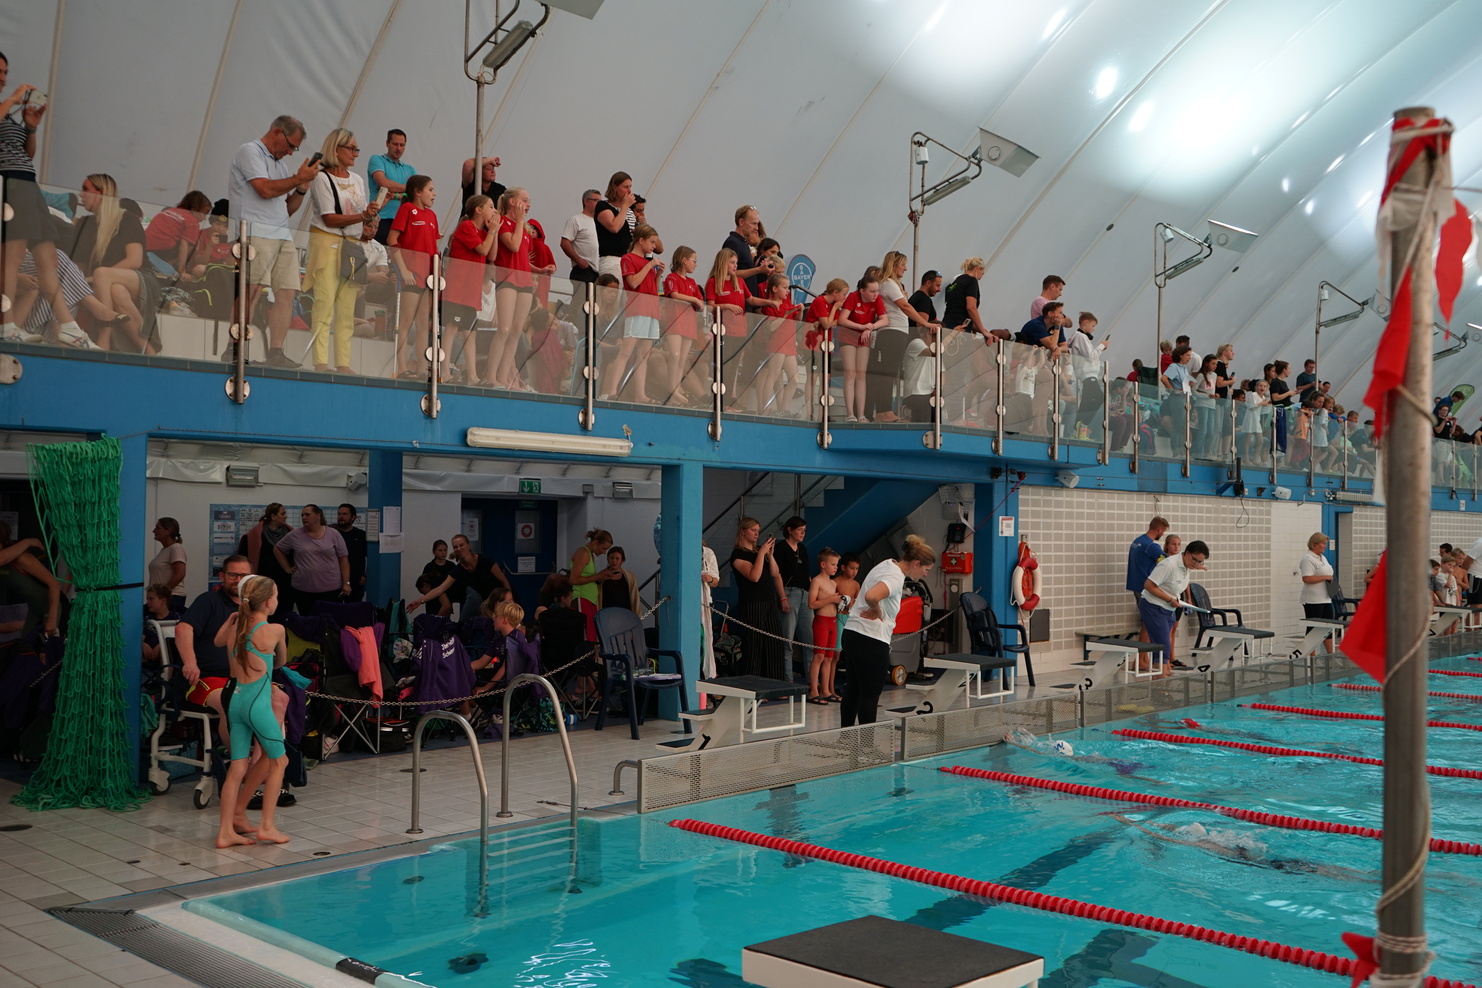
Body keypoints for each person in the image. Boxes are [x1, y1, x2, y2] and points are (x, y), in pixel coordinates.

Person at [175, 556, 289, 815]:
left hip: (248, 681)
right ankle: (247, 766)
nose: (237, 580)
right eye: (232, 575)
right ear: (222, 576)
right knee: (230, 702)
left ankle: (259, 768)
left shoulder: (257, 609)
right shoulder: (209, 601)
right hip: (210, 678)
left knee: (280, 700)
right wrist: (190, 662)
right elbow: (183, 629)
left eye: (243, 576)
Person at [0, 53, 93, 351]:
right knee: (12, 259)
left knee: (48, 258)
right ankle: (7, 325)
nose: (3, 77)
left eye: (6, 72)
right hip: (8, 185)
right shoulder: (5, 107)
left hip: (26, 184)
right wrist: (13, 99)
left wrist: (30, 126)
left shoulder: (9, 113)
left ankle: (68, 327)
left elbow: (27, 155)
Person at [227, 115, 319, 368]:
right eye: (290, 145)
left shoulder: (279, 165)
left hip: (281, 234)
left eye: (295, 149)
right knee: (253, 288)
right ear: (277, 132)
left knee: (287, 292)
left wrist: (301, 188)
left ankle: (276, 351)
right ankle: (234, 345)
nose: (290, 152)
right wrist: (297, 179)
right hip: (255, 231)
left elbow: (285, 209)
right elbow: (264, 189)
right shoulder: (250, 151)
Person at [212, 574, 290, 848]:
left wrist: (233, 618)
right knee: (280, 761)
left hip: (235, 701)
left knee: (237, 767)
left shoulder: (236, 627)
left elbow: (217, 642)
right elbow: (281, 660)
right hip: (257, 703)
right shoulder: (275, 630)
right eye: (276, 596)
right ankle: (267, 826)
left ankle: (225, 833)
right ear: (269, 602)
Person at [839, 535, 936, 726]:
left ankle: (846, 740)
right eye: (926, 569)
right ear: (916, 563)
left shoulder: (887, 564)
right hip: (870, 639)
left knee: (854, 690)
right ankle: (866, 748)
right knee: (870, 694)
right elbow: (871, 596)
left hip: (852, 634)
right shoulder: (895, 577)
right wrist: (877, 610)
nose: (925, 574)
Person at [303, 128, 377, 373]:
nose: (356, 153)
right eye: (352, 148)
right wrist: (362, 216)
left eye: (357, 149)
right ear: (336, 150)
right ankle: (320, 361)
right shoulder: (322, 178)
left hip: (352, 246)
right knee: (324, 304)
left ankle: (343, 362)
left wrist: (367, 223)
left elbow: (360, 215)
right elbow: (329, 217)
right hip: (328, 243)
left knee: (347, 309)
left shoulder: (357, 179)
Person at [65, 173, 153, 352]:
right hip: (107, 284)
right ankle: (148, 350)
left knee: (102, 274)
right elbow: (79, 264)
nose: (81, 194)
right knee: (116, 291)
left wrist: (95, 279)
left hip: (140, 279)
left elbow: (135, 260)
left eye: (86, 189)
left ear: (102, 193)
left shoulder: (126, 218)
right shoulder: (84, 224)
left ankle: (103, 340)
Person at [602, 223, 665, 401]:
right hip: (637, 308)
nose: (654, 246)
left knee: (644, 354)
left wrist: (658, 274)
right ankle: (613, 390)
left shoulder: (647, 262)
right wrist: (649, 265)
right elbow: (634, 283)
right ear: (641, 240)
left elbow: (651, 286)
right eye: (652, 242)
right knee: (627, 351)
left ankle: (641, 394)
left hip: (651, 309)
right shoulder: (628, 258)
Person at [871, 251, 934, 423]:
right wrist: (925, 323)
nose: (905, 269)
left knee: (890, 373)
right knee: (887, 373)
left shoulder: (891, 284)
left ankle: (885, 411)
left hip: (897, 332)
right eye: (903, 265)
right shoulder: (888, 283)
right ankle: (883, 412)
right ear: (894, 265)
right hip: (892, 332)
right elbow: (905, 306)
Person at [388, 174, 440, 378]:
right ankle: (401, 367)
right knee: (406, 321)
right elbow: (392, 239)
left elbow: (434, 247)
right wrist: (403, 269)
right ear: (418, 192)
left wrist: (437, 275)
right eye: (430, 189)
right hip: (411, 275)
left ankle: (420, 367)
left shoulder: (432, 216)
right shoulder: (407, 209)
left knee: (422, 324)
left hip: (429, 276)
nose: (434, 194)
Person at [444, 194, 498, 383]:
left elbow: (492, 254)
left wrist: (494, 231)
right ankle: (444, 371)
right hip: (458, 287)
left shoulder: (485, 232)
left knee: (470, 332)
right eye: (491, 206)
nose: (494, 211)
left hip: (471, 290)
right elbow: (482, 249)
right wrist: (491, 232)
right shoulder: (467, 227)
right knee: (452, 327)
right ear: (478, 209)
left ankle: (473, 375)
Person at [1139, 539, 1209, 677]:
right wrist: (1169, 599)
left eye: (1200, 562)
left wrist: (1198, 566)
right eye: (1194, 560)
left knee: (1163, 648)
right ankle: (1160, 686)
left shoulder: (1187, 564)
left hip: (1169, 609)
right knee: (1162, 649)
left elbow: (1190, 569)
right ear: (1187, 553)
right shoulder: (1169, 565)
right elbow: (1148, 585)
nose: (1196, 564)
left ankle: (1161, 676)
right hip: (1154, 606)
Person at [488, 187, 535, 391]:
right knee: (504, 329)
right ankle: (491, 376)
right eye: (525, 200)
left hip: (524, 281)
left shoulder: (522, 229)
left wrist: (540, 269)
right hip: (507, 279)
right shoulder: (505, 223)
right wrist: (520, 222)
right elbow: (513, 246)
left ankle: (504, 376)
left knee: (516, 331)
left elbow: (522, 257)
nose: (528, 204)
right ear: (513, 202)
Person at [730, 516, 785, 680]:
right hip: (752, 601)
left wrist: (770, 555)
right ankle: (753, 682)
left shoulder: (759, 551)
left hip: (768, 599)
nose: (756, 534)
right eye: (753, 530)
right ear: (743, 531)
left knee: (774, 642)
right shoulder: (738, 554)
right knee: (755, 644)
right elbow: (754, 576)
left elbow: (775, 573)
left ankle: (774, 682)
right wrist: (761, 554)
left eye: (758, 530)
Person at [272, 505, 351, 615]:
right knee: (307, 623)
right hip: (303, 590)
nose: (304, 517)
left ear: (318, 516)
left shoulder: (333, 534)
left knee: (328, 624)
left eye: (307, 514)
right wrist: (287, 568)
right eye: (302, 515)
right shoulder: (295, 535)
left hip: (330, 590)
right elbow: (278, 549)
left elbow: (343, 559)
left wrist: (346, 583)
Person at [410, 533, 512, 616]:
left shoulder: (484, 560)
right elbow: (440, 589)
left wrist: (510, 601)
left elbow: (503, 580)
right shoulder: (458, 569)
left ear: (468, 545)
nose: (459, 548)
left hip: (503, 599)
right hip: (487, 602)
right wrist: (420, 601)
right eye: (455, 547)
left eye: (461, 545)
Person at [836, 274, 889, 422]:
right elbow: (842, 319)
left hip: (864, 337)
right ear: (862, 291)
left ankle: (861, 414)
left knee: (861, 375)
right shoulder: (853, 297)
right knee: (850, 374)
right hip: (848, 335)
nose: (875, 294)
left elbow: (884, 320)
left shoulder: (876, 300)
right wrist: (861, 326)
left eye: (877, 291)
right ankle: (850, 413)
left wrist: (870, 327)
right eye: (872, 291)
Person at [661, 244, 707, 407]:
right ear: (684, 260)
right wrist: (693, 299)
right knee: (674, 354)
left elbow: (700, 300)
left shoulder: (692, 282)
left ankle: (677, 388)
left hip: (688, 323)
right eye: (694, 260)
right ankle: (672, 388)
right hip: (675, 321)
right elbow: (674, 295)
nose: (696, 264)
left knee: (682, 358)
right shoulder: (671, 278)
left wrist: (695, 300)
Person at [773, 517, 813, 685]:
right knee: (787, 640)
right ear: (790, 530)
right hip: (789, 593)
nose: (803, 533)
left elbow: (807, 574)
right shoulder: (781, 548)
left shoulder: (802, 549)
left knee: (810, 641)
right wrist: (782, 597)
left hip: (805, 594)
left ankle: (813, 682)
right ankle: (787, 681)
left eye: (804, 529)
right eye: (799, 529)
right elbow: (777, 575)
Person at [236, 503, 294, 612]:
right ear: (273, 516)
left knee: (286, 614)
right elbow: (243, 561)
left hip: (287, 585)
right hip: (263, 584)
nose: (285, 516)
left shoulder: (291, 534)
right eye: (283, 513)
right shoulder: (254, 536)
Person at [144, 190, 212, 280]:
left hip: (142, 249)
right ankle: (170, 266)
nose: (204, 218)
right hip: (156, 254)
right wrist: (182, 271)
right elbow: (184, 246)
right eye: (204, 213)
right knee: (191, 245)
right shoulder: (192, 222)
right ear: (195, 208)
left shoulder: (169, 211)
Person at [807, 547, 844, 704]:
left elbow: (835, 602)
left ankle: (826, 690)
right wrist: (830, 599)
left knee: (829, 658)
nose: (836, 567)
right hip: (821, 620)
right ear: (823, 564)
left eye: (837, 564)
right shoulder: (817, 581)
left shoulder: (833, 583)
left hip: (833, 621)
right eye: (833, 564)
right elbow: (811, 604)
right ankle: (813, 691)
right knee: (819, 656)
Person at [367, 128, 414, 244]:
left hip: (402, 221)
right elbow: (383, 183)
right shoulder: (377, 160)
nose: (399, 148)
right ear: (387, 143)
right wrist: (409, 188)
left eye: (402, 145)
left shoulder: (410, 169)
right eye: (395, 144)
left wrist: (395, 194)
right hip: (381, 218)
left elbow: (417, 193)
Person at [1126, 516, 1170, 639]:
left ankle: (1142, 657)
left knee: (1147, 621)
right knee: (1148, 623)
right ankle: (1142, 657)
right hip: (1146, 588)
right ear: (1159, 530)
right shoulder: (1151, 546)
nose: (1162, 535)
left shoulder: (1137, 541)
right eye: (1163, 532)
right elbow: (1169, 563)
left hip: (1135, 585)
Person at [724, 204, 774, 295]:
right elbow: (727, 273)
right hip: (739, 300)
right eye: (753, 223)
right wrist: (758, 270)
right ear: (741, 222)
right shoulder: (733, 243)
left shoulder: (743, 243)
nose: (756, 228)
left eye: (757, 224)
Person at [595, 172, 636, 278]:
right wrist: (625, 205)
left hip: (628, 260)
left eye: (630, 187)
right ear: (615, 187)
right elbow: (614, 227)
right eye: (625, 187)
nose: (629, 191)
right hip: (612, 259)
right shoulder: (603, 206)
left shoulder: (629, 212)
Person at [1299, 532, 1335, 653]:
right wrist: (1325, 577)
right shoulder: (1308, 559)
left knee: (1328, 628)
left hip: (1325, 598)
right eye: (1323, 544)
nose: (1325, 546)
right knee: (1313, 628)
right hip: (1313, 600)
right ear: (1314, 545)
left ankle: (1331, 656)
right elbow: (1307, 578)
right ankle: (1312, 657)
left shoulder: (1322, 557)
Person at [561, 189, 602, 286]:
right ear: (586, 201)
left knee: (595, 300)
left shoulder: (600, 222)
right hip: (584, 269)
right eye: (596, 201)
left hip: (599, 271)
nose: (599, 204)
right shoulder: (576, 220)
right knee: (581, 299)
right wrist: (579, 261)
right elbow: (565, 242)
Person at [146, 516, 188, 611]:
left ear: (168, 531)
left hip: (172, 598)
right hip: (160, 599)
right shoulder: (165, 550)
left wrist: (163, 593)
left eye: (158, 528)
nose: (154, 531)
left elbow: (180, 574)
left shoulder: (176, 548)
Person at [334, 504, 368, 602]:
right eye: (339, 514)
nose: (341, 516)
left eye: (345, 514)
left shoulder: (361, 535)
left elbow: (372, 558)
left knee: (353, 612)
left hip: (356, 582)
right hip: (334, 581)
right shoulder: (332, 534)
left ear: (353, 517)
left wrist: (365, 575)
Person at [142, 583, 181, 665]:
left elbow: (180, 639)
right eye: (147, 599)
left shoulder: (176, 618)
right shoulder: (147, 619)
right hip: (148, 653)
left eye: (151, 599)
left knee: (166, 652)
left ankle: (166, 677)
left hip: (168, 652)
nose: (147, 602)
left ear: (163, 600)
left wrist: (162, 646)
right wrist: (143, 644)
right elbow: (141, 637)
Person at [700, 539, 720, 678]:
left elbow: (716, 581)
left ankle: (707, 676)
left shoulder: (708, 553)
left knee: (705, 639)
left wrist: (709, 579)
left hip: (703, 601)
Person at [598, 545, 639, 612]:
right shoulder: (601, 575)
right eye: (611, 558)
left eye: (617, 558)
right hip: (606, 613)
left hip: (625, 612)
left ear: (622, 560)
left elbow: (634, 596)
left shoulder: (629, 576)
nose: (614, 561)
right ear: (608, 559)